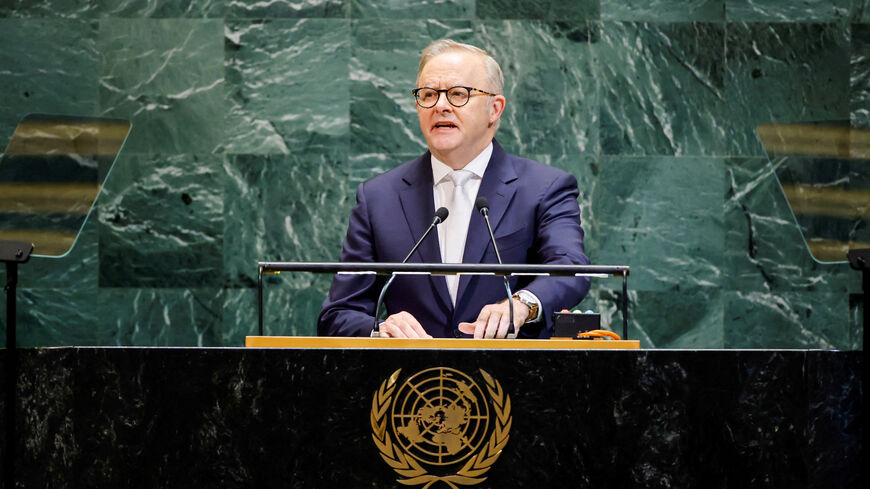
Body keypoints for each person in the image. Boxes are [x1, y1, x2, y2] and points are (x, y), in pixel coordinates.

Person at [317, 39, 590, 339]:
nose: (440, 105)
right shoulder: (379, 198)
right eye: (428, 95)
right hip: (410, 382)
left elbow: (570, 269)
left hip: (513, 377)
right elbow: (338, 314)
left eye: (458, 94)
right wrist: (379, 330)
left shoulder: (544, 188)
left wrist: (521, 304)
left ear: (494, 109)